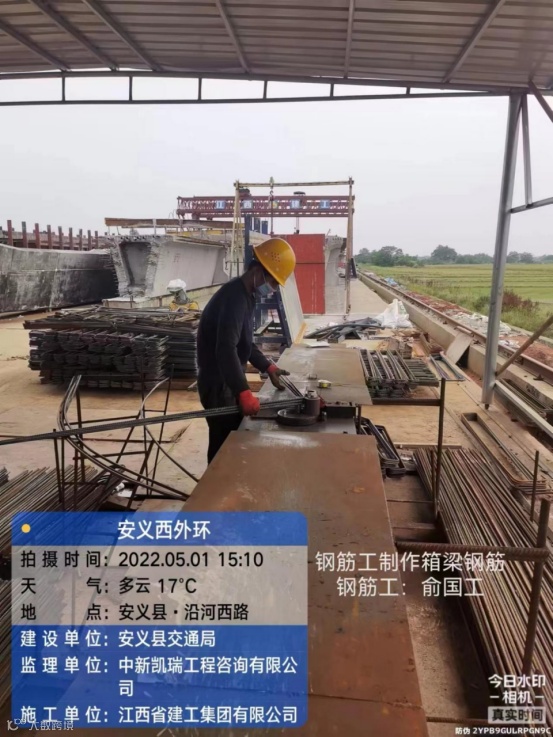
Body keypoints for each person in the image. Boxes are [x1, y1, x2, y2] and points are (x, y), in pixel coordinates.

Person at [196, 238, 296, 463]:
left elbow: (244, 343)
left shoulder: (245, 296)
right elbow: (225, 349)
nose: (272, 288)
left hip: (227, 380)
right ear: (258, 271)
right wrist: (243, 392)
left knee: (232, 440)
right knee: (224, 446)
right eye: (272, 281)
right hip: (218, 384)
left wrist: (268, 367)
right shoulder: (233, 297)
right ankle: (217, 483)